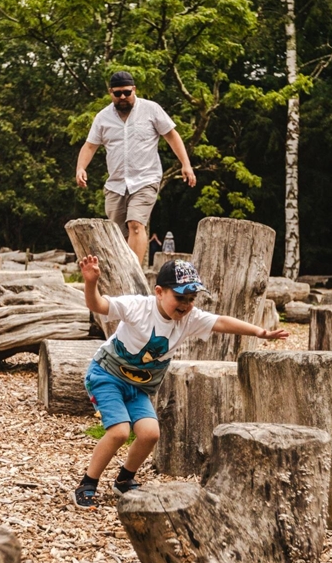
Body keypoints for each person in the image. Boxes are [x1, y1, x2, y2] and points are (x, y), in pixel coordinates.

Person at [73, 255, 289, 510]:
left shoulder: (189, 319)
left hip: (138, 386)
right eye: (180, 297)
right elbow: (98, 305)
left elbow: (220, 321)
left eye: (190, 299)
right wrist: (90, 283)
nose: (186, 305)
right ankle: (87, 482)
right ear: (159, 292)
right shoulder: (138, 307)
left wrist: (260, 332)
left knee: (150, 433)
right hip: (106, 374)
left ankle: (124, 479)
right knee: (120, 431)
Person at [75, 71, 196, 266]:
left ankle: (133, 274)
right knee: (118, 235)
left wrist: (186, 165)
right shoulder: (103, 117)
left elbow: (172, 135)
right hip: (116, 184)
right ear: (110, 93)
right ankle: (121, 276)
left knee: (136, 225)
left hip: (145, 179)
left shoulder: (151, 110)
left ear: (134, 90)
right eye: (117, 93)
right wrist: (81, 168)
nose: (122, 97)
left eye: (126, 92)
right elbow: (89, 146)